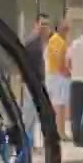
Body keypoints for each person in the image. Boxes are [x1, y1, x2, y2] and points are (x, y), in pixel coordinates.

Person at [21, 13, 52, 148]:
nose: (44, 28)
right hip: (32, 82)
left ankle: (30, 143)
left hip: (37, 82)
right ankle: (25, 143)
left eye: (46, 24)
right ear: (36, 24)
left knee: (33, 114)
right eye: (42, 24)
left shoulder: (40, 43)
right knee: (29, 113)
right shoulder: (32, 42)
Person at [45, 17, 71, 139]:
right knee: (59, 105)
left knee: (61, 105)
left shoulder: (61, 40)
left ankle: (60, 131)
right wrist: (65, 71)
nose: (67, 27)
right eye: (65, 25)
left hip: (58, 75)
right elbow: (58, 58)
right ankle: (59, 132)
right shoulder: (57, 40)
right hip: (57, 75)